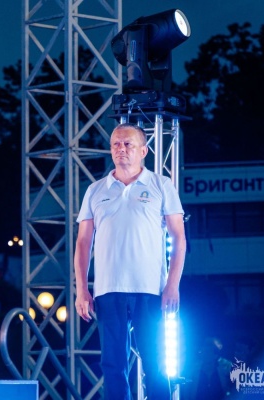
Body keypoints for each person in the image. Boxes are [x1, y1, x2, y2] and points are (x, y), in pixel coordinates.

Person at [74, 123, 186, 400]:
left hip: (150, 289)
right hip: (108, 290)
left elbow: (179, 238)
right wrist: (82, 289)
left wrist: (172, 286)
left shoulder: (161, 185)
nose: (121, 149)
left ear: (143, 151)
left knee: (155, 363)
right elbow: (83, 243)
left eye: (128, 144)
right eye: (116, 144)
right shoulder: (96, 190)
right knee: (113, 365)